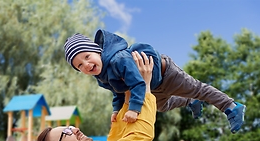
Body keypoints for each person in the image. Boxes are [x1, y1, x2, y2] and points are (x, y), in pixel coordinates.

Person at [64, 29, 246, 134]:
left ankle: (231, 106)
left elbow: (137, 84)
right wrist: (116, 109)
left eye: (87, 56)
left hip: (167, 74)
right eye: (79, 65)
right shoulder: (101, 76)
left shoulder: (118, 59)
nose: (86, 64)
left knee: (198, 89)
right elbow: (118, 91)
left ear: (97, 51)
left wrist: (134, 110)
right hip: (152, 87)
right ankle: (190, 102)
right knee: (161, 107)